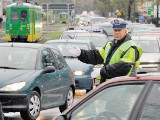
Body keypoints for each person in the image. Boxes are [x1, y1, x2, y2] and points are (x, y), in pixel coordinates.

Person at [67, 19, 143, 84]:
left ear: (126, 31)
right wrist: (81, 53)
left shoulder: (131, 47)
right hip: (108, 86)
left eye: (119, 30)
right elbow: (97, 56)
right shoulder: (110, 44)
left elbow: (123, 67)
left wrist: (101, 71)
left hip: (122, 87)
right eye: (115, 30)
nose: (116, 32)